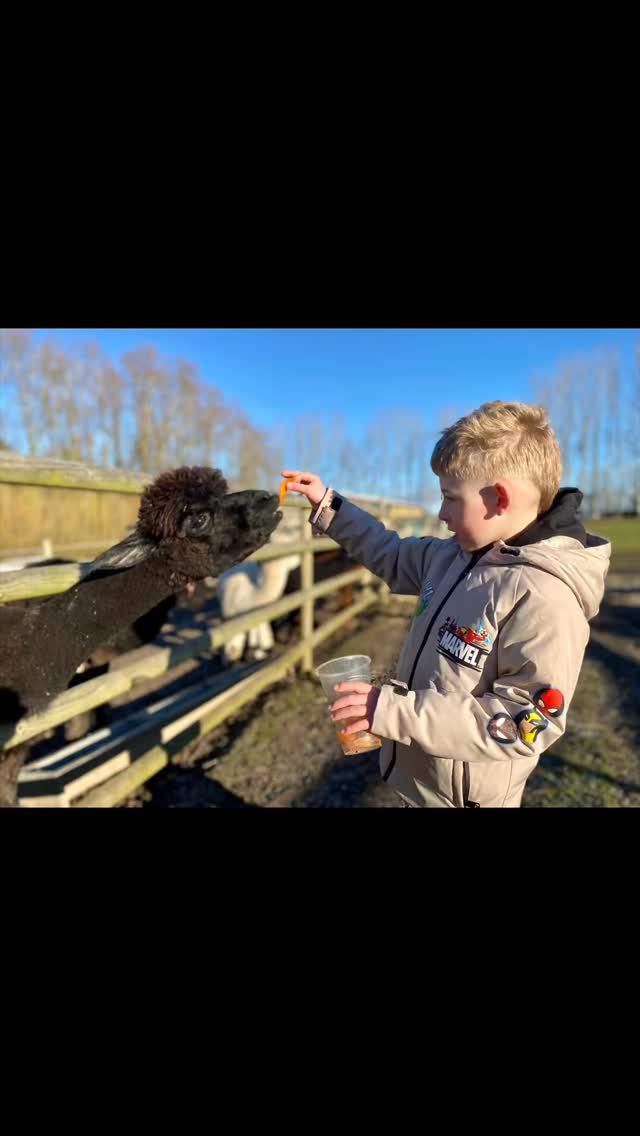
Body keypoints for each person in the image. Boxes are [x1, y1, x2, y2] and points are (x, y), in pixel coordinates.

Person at [282, 400, 611, 808]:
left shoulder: (544, 597)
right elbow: (388, 551)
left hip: (465, 799)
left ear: (498, 498)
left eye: (450, 497)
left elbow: (527, 721)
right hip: (422, 784)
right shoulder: (450, 556)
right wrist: (329, 505)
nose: (440, 512)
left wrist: (391, 712)